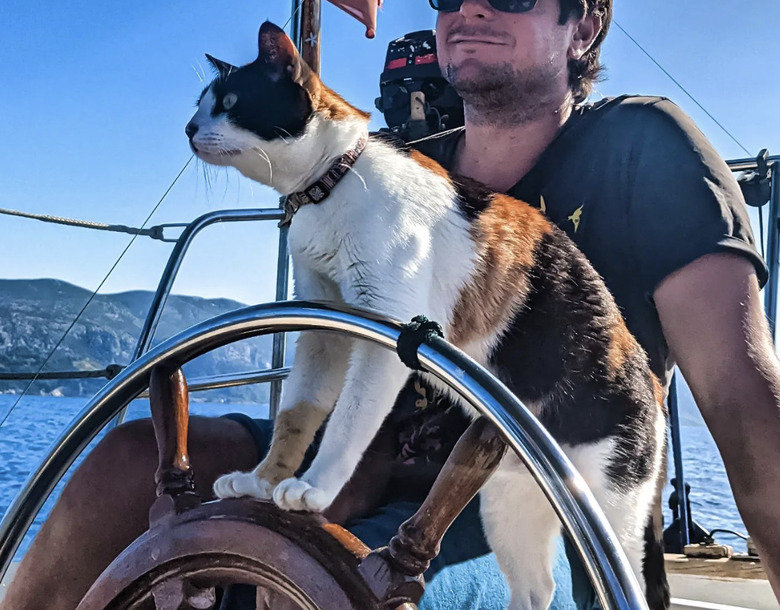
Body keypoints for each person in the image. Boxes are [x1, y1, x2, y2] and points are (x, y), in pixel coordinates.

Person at [4, 0, 780, 608]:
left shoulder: (646, 148)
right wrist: (335, 479)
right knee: (127, 460)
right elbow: (344, 358)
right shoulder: (388, 173)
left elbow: (747, 414)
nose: (469, 8)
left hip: (529, 485)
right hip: (379, 454)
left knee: (306, 578)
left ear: (585, 24)